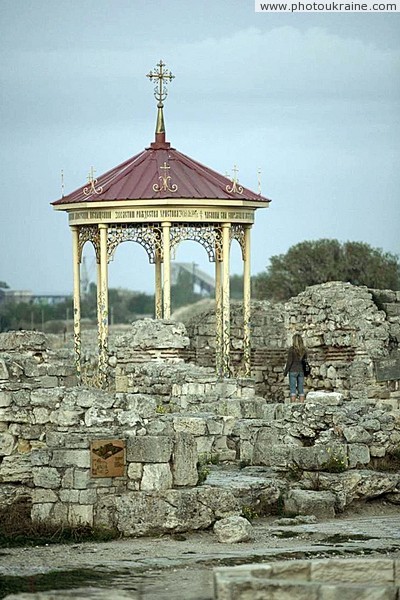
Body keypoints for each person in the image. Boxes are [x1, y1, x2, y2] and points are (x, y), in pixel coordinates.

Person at [284, 333, 308, 403]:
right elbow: (305, 361)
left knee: (293, 389)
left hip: (293, 371)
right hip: (301, 371)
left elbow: (289, 362)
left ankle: (292, 406)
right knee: (301, 389)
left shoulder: (291, 350)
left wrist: (285, 372)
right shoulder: (304, 350)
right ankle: (301, 404)